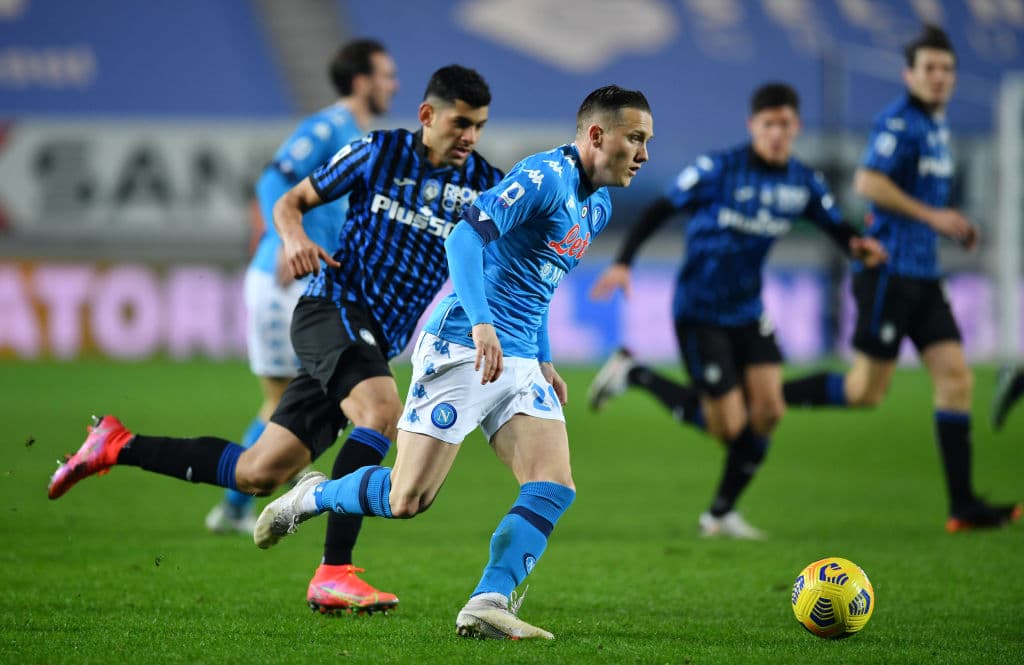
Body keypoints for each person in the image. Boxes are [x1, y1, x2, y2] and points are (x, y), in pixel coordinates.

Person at [47, 65, 504, 614]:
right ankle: (334, 572)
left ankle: (116, 445)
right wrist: (292, 239)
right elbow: (290, 201)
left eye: (478, 126)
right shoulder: (376, 153)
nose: (470, 137)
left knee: (259, 472)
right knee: (381, 412)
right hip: (330, 308)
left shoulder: (483, 184)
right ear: (428, 115)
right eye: (460, 123)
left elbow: (503, 262)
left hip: (373, 342)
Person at [251, 85, 654, 640]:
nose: (644, 153)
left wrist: (544, 358)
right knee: (407, 498)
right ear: (595, 134)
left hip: (517, 360)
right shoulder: (544, 178)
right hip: (464, 345)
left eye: (647, 141)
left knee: (553, 484)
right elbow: (464, 237)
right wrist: (483, 323)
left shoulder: (598, 203)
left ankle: (488, 601)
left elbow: (540, 283)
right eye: (635, 138)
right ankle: (312, 495)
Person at [587, 82, 887, 539]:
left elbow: (834, 225)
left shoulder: (802, 182)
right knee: (728, 428)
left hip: (748, 310)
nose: (776, 133)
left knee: (768, 411)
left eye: (785, 124)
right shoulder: (719, 169)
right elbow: (660, 208)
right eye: (768, 124)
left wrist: (856, 247)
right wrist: (625, 262)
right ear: (753, 126)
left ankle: (720, 515)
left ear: (796, 127)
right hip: (700, 309)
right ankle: (636, 373)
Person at [777, 25, 1021, 532]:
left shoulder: (936, 127)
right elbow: (868, 182)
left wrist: (945, 222)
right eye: (929, 68)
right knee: (866, 391)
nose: (939, 77)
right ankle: (770, 395)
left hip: (925, 277)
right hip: (888, 273)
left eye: (947, 69)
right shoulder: (900, 122)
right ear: (910, 74)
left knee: (956, 379)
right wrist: (936, 218)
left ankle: (963, 506)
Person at [206, 39, 396, 538]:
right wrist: (290, 240)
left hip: (312, 278)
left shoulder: (357, 134)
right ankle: (244, 500)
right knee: (305, 401)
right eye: (385, 76)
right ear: (361, 81)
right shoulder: (328, 127)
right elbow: (274, 180)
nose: (392, 85)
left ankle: (238, 503)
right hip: (286, 276)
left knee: (294, 403)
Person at [992, 365, 1024, 431]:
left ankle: (999, 416)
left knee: (1010, 401)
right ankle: (999, 416)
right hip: (1019, 377)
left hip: (1018, 377)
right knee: (1008, 400)